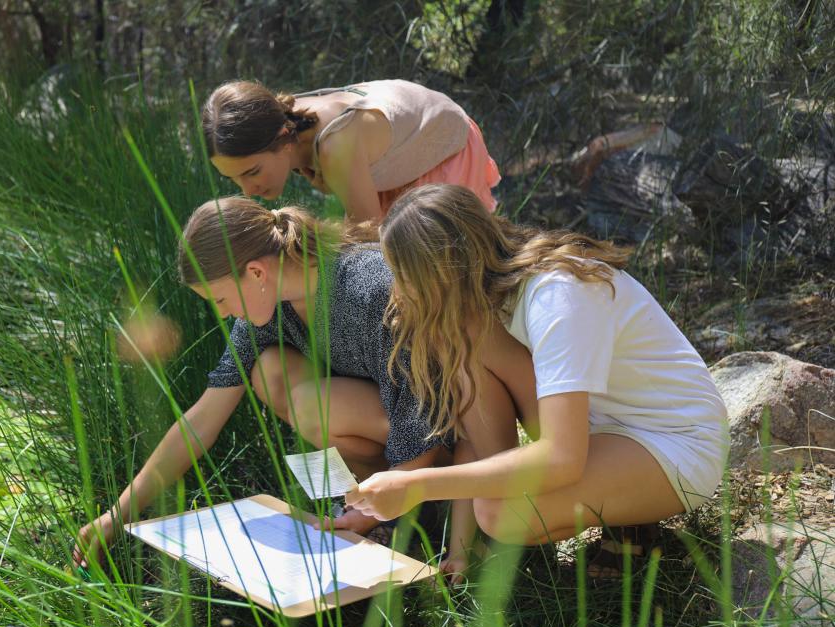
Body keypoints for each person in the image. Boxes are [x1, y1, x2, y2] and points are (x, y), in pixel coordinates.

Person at [73, 195, 537, 571]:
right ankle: (367, 502)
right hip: (392, 423)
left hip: (450, 426)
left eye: (219, 298)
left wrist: (378, 502)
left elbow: (422, 412)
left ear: (255, 272)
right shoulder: (264, 310)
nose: (222, 313)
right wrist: (119, 513)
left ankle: (395, 506)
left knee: (309, 401)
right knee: (271, 372)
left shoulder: (366, 287)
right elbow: (201, 421)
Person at [346, 184, 729, 576]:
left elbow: (562, 458)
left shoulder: (556, 297)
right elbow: (481, 438)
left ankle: (631, 515)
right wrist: (462, 543)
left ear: (440, 272)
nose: (397, 291)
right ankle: (506, 540)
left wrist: (419, 485)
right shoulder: (486, 307)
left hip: (677, 444)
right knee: (467, 351)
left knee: (498, 510)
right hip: (606, 431)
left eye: (403, 274)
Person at [201, 79, 500, 231]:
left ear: (282, 137)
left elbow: (369, 245)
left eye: (252, 172)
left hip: (442, 148)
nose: (248, 191)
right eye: (234, 179)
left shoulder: (334, 147)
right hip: (396, 152)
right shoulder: (289, 116)